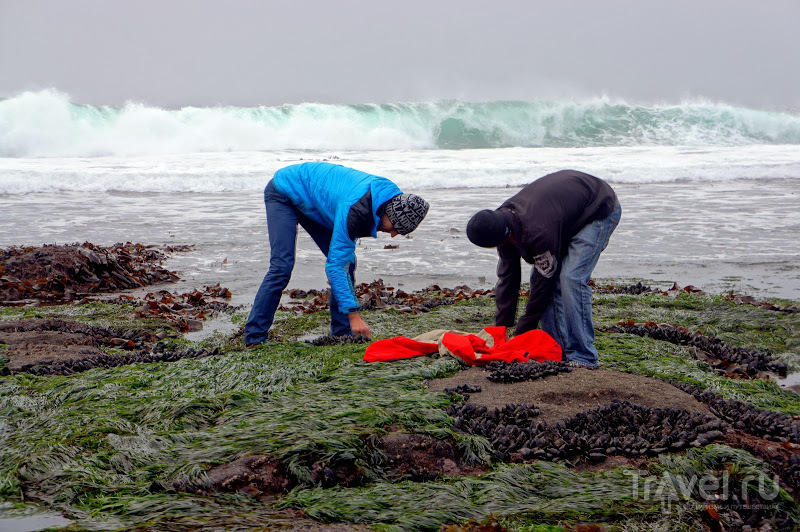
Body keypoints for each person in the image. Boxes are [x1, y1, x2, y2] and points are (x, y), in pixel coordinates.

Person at [245, 162, 429, 346]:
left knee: (347, 264)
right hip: (285, 190)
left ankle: (341, 334)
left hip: (316, 202)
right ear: (390, 213)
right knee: (282, 266)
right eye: (395, 228)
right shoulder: (357, 209)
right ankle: (254, 338)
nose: (393, 234)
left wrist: (340, 275)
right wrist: (354, 315)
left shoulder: (389, 199)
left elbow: (342, 261)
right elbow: (335, 266)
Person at [465, 169, 621, 368]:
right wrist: (501, 328)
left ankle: (584, 356)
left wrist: (523, 331)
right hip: (565, 212)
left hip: (598, 208)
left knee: (570, 278)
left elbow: (542, 285)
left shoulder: (537, 232)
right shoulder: (499, 222)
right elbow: (508, 276)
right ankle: (557, 350)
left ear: (504, 235)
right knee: (550, 278)